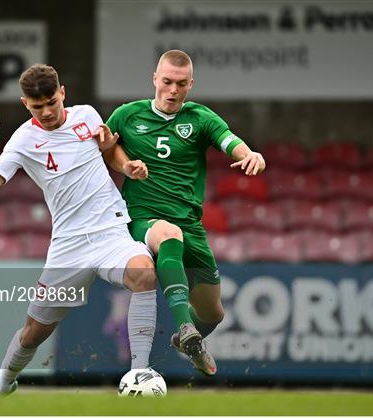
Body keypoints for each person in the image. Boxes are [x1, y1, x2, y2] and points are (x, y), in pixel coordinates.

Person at [0, 64, 157, 396]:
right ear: (25, 103)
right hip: (68, 246)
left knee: (144, 273)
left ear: (62, 94)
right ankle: (3, 383)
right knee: (33, 333)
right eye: (36, 106)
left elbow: (108, 150)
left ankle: (139, 372)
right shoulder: (23, 139)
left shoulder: (86, 115)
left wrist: (126, 165)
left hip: (110, 232)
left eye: (50, 103)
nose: (46, 112)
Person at [100, 49, 266, 376]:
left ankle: (185, 339)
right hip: (142, 218)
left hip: (189, 223)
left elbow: (231, 142)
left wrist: (251, 154)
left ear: (191, 84)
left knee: (214, 312)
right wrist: (126, 166)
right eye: (166, 82)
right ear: (154, 80)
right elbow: (106, 149)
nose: (172, 90)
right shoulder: (127, 115)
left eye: (180, 83)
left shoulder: (201, 118)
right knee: (168, 235)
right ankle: (186, 327)